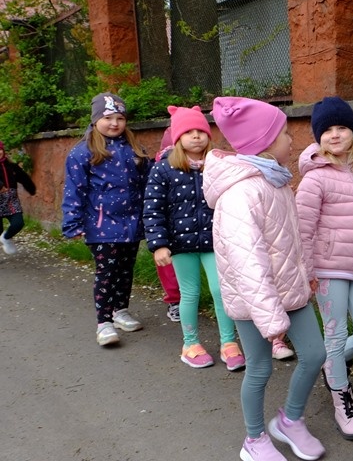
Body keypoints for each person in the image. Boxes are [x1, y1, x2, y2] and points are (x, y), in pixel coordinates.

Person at [203, 96, 327, 461]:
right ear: (265, 142)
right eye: (285, 133)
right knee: (259, 368)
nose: (291, 139)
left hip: (290, 290)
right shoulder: (240, 194)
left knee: (315, 354)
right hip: (253, 300)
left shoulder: (276, 181)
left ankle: (290, 420)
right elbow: (247, 263)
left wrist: (306, 272)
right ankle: (254, 439)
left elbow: (292, 240)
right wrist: (271, 319)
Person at [296, 96, 353, 440]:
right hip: (328, 269)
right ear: (319, 137)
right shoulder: (315, 179)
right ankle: (342, 402)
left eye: (342, 128)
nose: (335, 135)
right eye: (327, 130)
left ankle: (331, 364)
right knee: (333, 336)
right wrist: (308, 271)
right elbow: (303, 230)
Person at [144, 106, 245, 371]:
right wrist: (159, 244)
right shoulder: (163, 169)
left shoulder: (219, 166)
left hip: (215, 242)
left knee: (221, 290)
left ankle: (228, 342)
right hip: (180, 244)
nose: (196, 136)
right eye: (188, 132)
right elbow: (153, 209)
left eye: (200, 130)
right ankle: (190, 344)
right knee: (189, 293)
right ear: (178, 137)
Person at [62, 93, 151, 347]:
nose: (114, 123)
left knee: (125, 269)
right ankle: (104, 323)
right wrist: (73, 222)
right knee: (107, 272)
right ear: (95, 119)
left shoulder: (134, 149)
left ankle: (120, 310)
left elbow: (148, 179)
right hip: (101, 225)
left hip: (131, 222)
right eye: (108, 117)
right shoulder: (83, 152)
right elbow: (74, 190)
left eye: (120, 118)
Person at [155, 128, 181, 323]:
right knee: (168, 265)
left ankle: (180, 300)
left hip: (194, 225)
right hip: (169, 225)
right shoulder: (159, 169)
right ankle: (175, 300)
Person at [0, 139, 37, 255]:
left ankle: (6, 237)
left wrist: (31, 189)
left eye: (0, 149)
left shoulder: (12, 166)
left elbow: (24, 178)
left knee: (18, 223)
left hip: (11, 200)